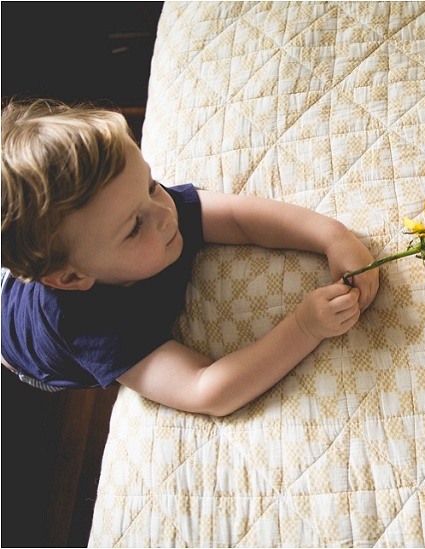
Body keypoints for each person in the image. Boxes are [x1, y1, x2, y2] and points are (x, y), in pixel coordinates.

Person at [1, 98, 379, 416]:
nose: (166, 215)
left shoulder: (147, 210)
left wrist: (332, 237)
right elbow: (206, 390)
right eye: (134, 227)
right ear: (72, 278)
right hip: (19, 352)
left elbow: (238, 218)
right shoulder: (91, 328)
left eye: (151, 186)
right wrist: (304, 327)